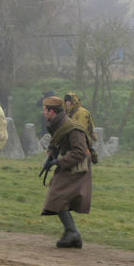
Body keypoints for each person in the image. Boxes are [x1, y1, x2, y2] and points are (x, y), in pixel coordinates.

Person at [41, 96, 92, 249]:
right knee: (58, 194)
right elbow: (56, 142)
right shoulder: (58, 124)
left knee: (57, 194)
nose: (43, 113)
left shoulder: (72, 128)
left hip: (78, 165)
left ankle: (72, 233)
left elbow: (80, 152)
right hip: (69, 163)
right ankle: (71, 233)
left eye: (45, 110)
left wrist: (58, 162)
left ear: (52, 111)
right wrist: (51, 155)